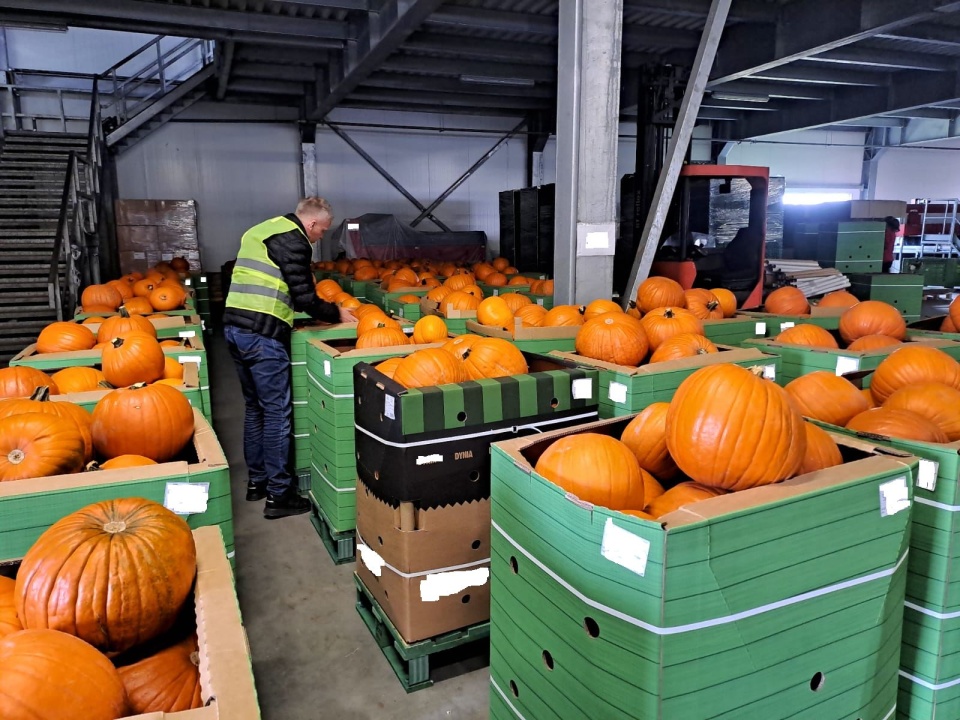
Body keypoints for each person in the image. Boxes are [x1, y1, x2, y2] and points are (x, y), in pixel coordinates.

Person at [223, 197, 355, 519]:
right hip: (262, 335)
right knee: (277, 413)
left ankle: (258, 482)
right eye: (322, 231)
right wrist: (336, 313)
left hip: (234, 328)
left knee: (255, 408)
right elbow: (305, 298)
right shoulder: (295, 241)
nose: (321, 236)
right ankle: (279, 495)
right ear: (311, 225)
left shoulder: (264, 230)